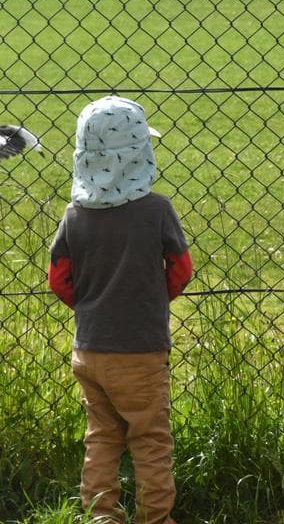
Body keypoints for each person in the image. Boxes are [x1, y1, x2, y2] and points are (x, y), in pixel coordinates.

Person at [48, 96, 193, 524]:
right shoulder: (156, 210)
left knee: (102, 438)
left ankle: (102, 516)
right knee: (150, 439)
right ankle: (155, 519)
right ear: (139, 155)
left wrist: (95, 307)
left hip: (90, 349)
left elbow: (59, 279)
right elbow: (181, 271)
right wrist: (146, 301)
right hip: (141, 350)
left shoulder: (74, 216)